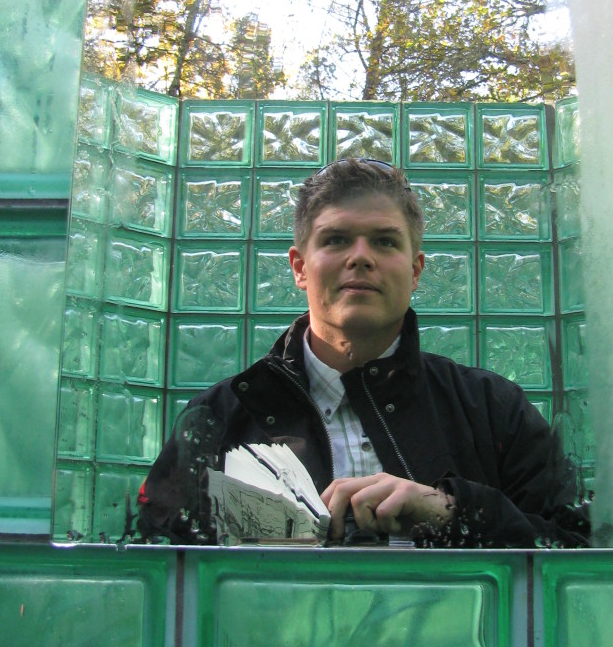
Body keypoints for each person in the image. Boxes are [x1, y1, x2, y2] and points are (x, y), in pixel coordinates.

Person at [136, 158, 589, 547]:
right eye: (335, 239)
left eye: (385, 241)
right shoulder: (217, 420)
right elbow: (155, 571)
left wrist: (448, 511)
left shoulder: (494, 411)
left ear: (415, 271)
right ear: (300, 267)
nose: (360, 257)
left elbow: (579, 552)